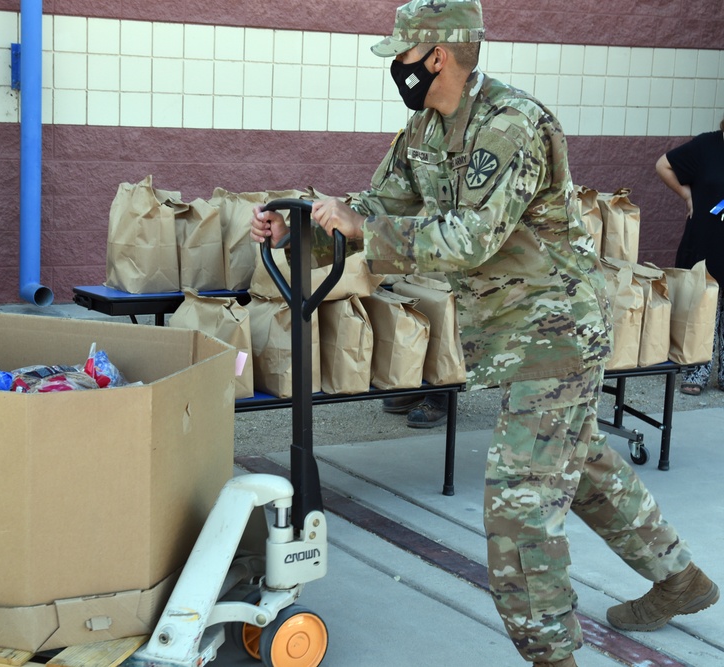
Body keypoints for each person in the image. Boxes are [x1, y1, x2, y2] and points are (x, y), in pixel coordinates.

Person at [249, 1, 719, 665]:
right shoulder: (422, 129)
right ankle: (680, 579)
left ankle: (552, 654)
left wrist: (362, 230)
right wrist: (300, 228)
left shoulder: (512, 123)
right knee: (579, 462)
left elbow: (468, 240)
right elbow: (377, 208)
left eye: (403, 55)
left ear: (435, 55)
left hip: (555, 329)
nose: (398, 68)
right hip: (509, 333)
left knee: (519, 505)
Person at [655, 118, 724, 396]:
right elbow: (663, 165)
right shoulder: (707, 144)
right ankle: (699, 367)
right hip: (706, 239)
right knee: (705, 302)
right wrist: (687, 196)